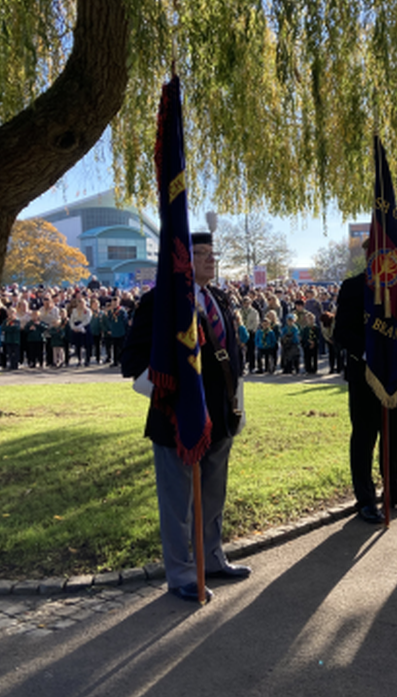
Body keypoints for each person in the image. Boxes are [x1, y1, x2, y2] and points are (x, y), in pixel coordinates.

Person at [120, 232, 251, 603]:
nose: (212, 260)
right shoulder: (159, 302)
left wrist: (237, 405)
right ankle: (180, 574)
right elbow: (132, 361)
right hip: (176, 419)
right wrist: (175, 397)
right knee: (178, 502)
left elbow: (232, 359)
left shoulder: (219, 298)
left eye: (214, 253)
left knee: (212, 495)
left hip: (220, 415)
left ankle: (211, 559)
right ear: (182, 259)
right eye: (202, 254)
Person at [333, 269, 397, 524]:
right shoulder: (353, 285)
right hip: (365, 376)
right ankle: (365, 499)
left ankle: (394, 490)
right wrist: (370, 355)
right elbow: (341, 332)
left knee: (396, 434)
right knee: (364, 437)